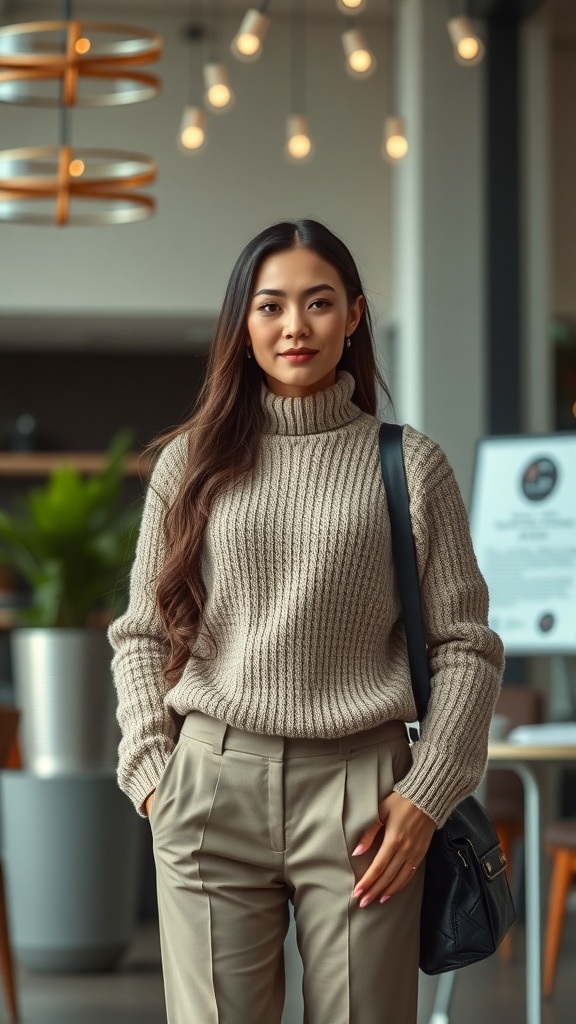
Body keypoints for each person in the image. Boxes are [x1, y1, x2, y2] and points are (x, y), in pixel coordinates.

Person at [108, 219, 504, 1024]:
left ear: (353, 315)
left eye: (318, 303)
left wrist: (427, 795)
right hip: (209, 782)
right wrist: (153, 775)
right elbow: (142, 633)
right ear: (243, 323)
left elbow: (467, 647)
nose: (295, 326)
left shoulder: (411, 465)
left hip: (365, 796)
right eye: (271, 306)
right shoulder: (190, 463)